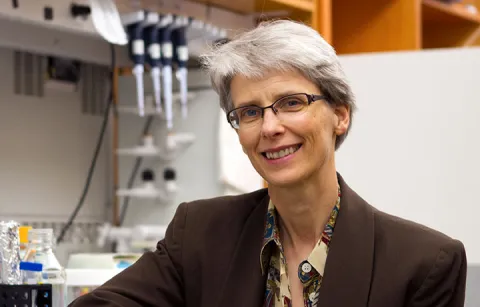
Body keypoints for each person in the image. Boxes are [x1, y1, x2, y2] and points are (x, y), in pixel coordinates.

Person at [69, 20, 467, 307]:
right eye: (249, 112)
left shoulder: (423, 263)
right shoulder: (199, 234)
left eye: (291, 103)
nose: (270, 127)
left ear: (340, 114)